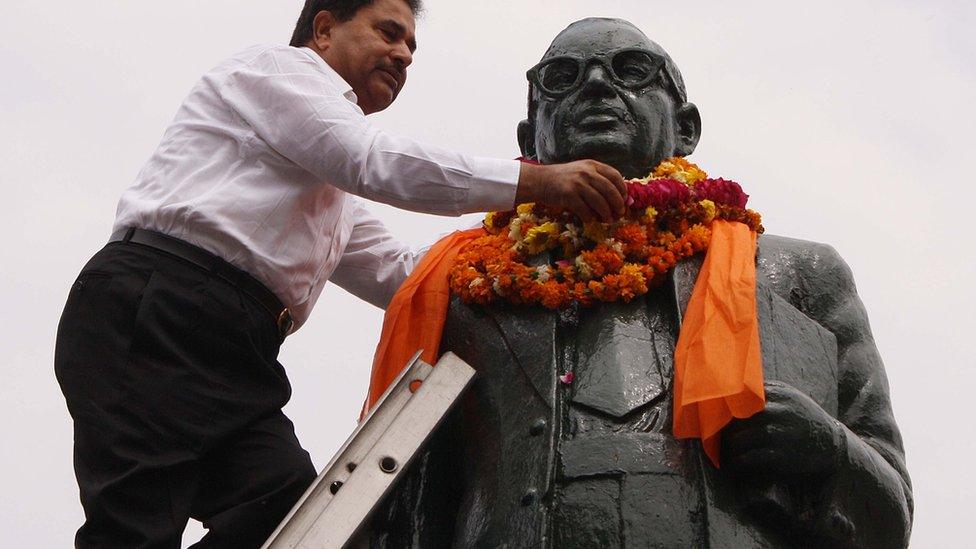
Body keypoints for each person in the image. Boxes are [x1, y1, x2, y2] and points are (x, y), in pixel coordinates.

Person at [53, 1, 630, 547]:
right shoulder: (278, 72)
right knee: (135, 526)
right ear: (324, 29)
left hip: (234, 345)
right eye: (388, 32)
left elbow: (403, 275)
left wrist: (539, 259)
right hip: (161, 305)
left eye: (411, 46)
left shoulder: (324, 187)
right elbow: (372, 163)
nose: (404, 54)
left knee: (296, 521)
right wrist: (539, 182)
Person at [371, 17, 912, 548]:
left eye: (633, 70)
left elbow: (892, 519)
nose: (599, 85)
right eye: (562, 76)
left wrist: (828, 450)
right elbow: (405, 508)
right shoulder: (468, 290)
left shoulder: (796, 275)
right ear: (528, 141)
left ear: (687, 128)